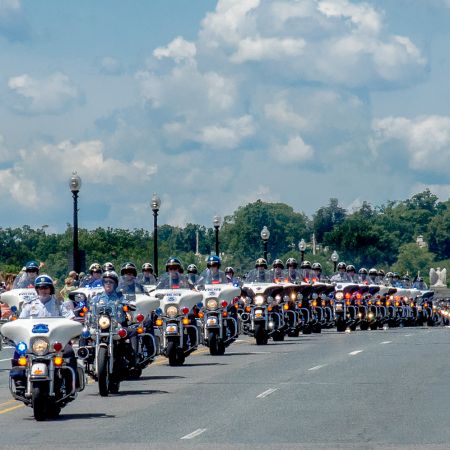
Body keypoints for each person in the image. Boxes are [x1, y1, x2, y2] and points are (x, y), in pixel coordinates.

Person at [12, 275, 78, 390]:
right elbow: (21, 322)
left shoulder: (59, 304)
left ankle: (71, 384)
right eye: (41, 287)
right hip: (34, 342)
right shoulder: (29, 305)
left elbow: (70, 318)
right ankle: (20, 381)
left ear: (50, 289)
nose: (44, 290)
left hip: (55, 342)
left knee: (69, 351)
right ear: (37, 289)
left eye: (46, 287)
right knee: (18, 351)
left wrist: (71, 328)